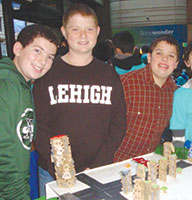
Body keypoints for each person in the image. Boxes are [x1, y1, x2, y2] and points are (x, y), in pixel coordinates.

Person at [33, 3, 126, 196]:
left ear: (98, 31)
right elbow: (39, 125)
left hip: (98, 172)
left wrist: (97, 165)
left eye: (89, 29)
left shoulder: (109, 74)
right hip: (53, 174)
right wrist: (59, 167)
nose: (83, 36)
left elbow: (118, 123)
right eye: (75, 29)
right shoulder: (48, 73)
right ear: (64, 32)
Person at [0, 24, 58, 200]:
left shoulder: (20, 84)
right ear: (18, 49)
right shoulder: (2, 86)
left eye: (50, 57)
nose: (43, 62)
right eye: (37, 51)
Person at [114, 34, 179, 162]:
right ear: (149, 57)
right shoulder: (126, 83)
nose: (165, 59)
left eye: (171, 56)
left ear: (176, 64)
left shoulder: (175, 93)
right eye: (159, 53)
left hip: (150, 164)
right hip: (118, 163)